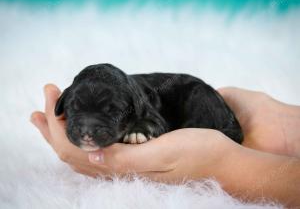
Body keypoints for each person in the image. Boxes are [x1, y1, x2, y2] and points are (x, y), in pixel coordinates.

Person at [31, 84, 300, 207]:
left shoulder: (143, 102)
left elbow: (155, 118)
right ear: (64, 103)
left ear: (130, 105)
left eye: (109, 112)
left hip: (192, 97)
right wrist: (283, 124)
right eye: (77, 111)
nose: (88, 131)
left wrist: (224, 164)